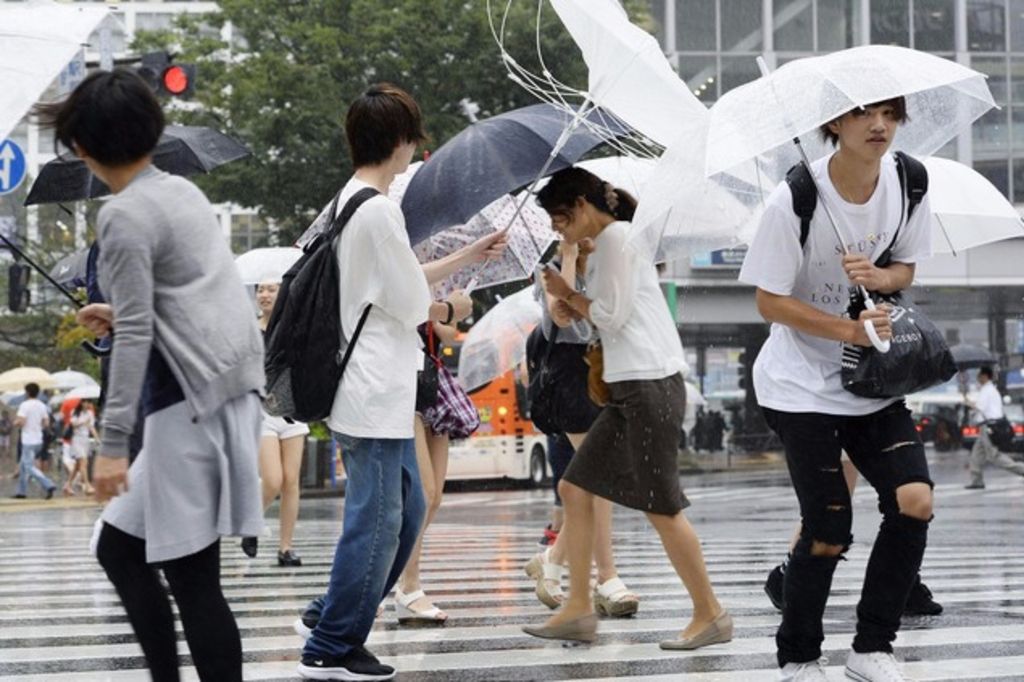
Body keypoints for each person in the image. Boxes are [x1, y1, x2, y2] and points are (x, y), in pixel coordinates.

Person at [41, 68, 266, 682]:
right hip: (220, 393)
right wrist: (120, 313)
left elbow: (139, 335)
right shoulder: (181, 193)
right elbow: (188, 296)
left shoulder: (123, 215)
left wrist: (112, 446)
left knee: (194, 580)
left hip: (185, 407)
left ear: (82, 148)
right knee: (120, 550)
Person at [738, 97, 934, 682]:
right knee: (827, 531)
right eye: (863, 114)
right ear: (835, 124)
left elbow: (906, 269)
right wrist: (847, 327)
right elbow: (769, 301)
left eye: (890, 115)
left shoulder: (910, 182)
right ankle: (798, 657)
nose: (879, 126)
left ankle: (872, 647)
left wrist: (881, 277)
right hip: (798, 385)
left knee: (915, 501)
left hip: (870, 379)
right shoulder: (792, 200)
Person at [294, 83, 475, 682]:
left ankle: (332, 610)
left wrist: (463, 257)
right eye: (413, 137)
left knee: (407, 507)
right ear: (400, 141)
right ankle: (332, 644)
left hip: (381, 390)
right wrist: (448, 309)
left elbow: (395, 280)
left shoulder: (357, 201)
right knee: (377, 521)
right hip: (373, 391)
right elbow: (410, 299)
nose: (415, 149)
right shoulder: (377, 209)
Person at [526, 167, 730, 650]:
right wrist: (570, 294)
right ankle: (577, 608)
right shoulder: (607, 244)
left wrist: (567, 294)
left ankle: (711, 613)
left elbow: (610, 316)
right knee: (575, 488)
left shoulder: (617, 237)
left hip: (648, 387)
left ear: (579, 205)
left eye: (561, 221)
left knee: (662, 507)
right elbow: (604, 312)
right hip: (627, 389)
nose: (561, 232)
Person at [524, 238, 640, 618]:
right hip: (571, 383)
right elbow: (562, 317)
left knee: (593, 485)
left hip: (603, 377)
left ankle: (554, 560)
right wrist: (570, 256)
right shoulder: (551, 271)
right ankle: (606, 578)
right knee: (600, 479)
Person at [764, 456, 942, 617]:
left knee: (909, 495)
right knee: (831, 505)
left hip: (879, 422)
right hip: (838, 423)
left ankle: (905, 583)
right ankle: (785, 574)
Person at [241, 280, 310, 567]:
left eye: (271, 289)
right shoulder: (248, 330)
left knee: (292, 482)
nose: (265, 295)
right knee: (273, 479)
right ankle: (250, 524)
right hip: (262, 412)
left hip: (292, 410)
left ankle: (285, 548)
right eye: (261, 290)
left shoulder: (292, 327)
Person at [965, 366, 1024, 489]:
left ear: (985, 376)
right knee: (976, 455)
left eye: (979, 375)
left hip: (989, 426)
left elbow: (980, 408)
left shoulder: (987, 390)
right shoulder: (991, 390)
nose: (977, 378)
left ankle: (1021, 470)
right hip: (986, 427)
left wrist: (968, 402)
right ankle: (977, 480)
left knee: (994, 456)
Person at [13, 383, 57, 499]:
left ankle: (48, 484)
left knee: (28, 466)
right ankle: (21, 492)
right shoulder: (42, 405)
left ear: (27, 392)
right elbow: (46, 423)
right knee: (23, 465)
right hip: (38, 440)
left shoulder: (24, 405)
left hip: (28, 440)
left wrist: (15, 422)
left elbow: (21, 422)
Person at [65, 400, 98, 496]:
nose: (87, 404)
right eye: (85, 402)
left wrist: (97, 438)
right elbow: (73, 424)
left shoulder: (90, 413)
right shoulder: (75, 412)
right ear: (81, 403)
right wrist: (84, 422)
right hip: (76, 440)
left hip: (85, 440)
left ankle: (68, 485)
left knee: (77, 466)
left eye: (88, 402)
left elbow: (91, 427)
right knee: (83, 463)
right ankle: (87, 486)